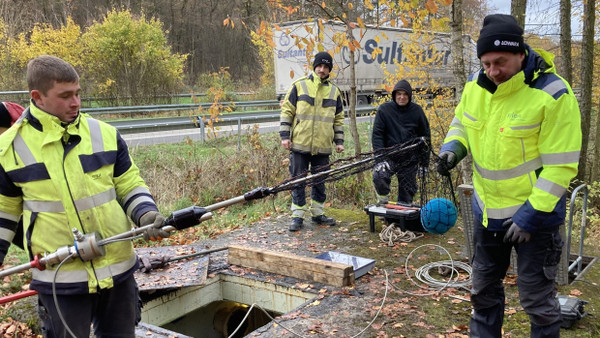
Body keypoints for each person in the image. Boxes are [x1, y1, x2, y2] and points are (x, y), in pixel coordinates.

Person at [0, 55, 169, 337]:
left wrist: (146, 214)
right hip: (60, 280)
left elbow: (128, 182)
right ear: (37, 96)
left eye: (78, 93)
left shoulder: (103, 133)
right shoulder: (9, 149)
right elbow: (3, 215)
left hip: (119, 271)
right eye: (65, 96)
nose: (76, 102)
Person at [436, 14, 581, 337]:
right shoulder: (477, 84)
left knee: (537, 302)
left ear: (520, 53)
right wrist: (453, 148)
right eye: (486, 63)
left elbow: (561, 166)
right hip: (488, 213)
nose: (492, 71)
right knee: (483, 292)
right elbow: (462, 121)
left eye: (500, 62)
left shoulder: (554, 94)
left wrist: (531, 215)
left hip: (536, 220)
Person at [280, 51, 345, 232]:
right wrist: (285, 137)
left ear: (329, 70)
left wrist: (339, 141)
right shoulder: (299, 86)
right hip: (300, 144)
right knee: (298, 180)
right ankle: (297, 217)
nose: (322, 70)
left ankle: (318, 214)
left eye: (325, 67)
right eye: (319, 66)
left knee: (319, 181)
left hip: (323, 146)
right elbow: (287, 112)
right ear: (314, 66)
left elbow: (338, 119)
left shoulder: (334, 91)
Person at [371, 79, 430, 205]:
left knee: (407, 191)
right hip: (388, 157)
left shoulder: (417, 111)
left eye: (405, 94)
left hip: (410, 159)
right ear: (394, 95)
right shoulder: (384, 110)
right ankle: (383, 204)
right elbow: (377, 135)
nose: (401, 97)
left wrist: (424, 163)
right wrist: (380, 159)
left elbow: (425, 137)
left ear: (409, 96)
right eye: (399, 94)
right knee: (379, 175)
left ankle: (402, 218)